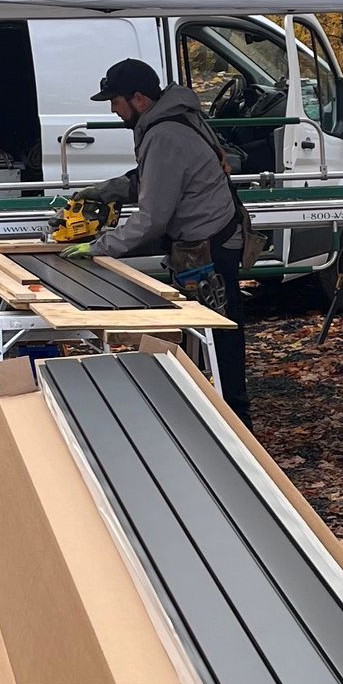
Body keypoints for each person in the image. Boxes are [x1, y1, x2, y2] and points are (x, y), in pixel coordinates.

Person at [90, 57, 251, 424]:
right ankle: (208, 419)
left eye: (116, 102)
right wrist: (109, 190)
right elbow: (157, 177)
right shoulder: (172, 116)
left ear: (140, 99)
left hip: (209, 246)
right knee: (205, 340)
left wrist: (100, 247)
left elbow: (151, 218)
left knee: (220, 341)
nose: (114, 111)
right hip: (210, 238)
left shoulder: (162, 133)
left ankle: (238, 431)